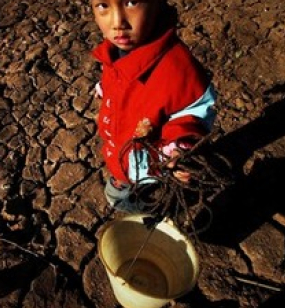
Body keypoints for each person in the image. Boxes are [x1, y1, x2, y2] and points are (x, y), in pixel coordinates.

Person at [90, 0, 217, 213]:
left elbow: (195, 109)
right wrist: (106, 89)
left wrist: (179, 148)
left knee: (144, 173)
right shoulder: (112, 50)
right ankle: (121, 186)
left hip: (151, 153)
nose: (118, 22)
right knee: (120, 168)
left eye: (131, 2)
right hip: (120, 143)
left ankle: (134, 190)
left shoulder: (177, 68)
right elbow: (118, 77)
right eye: (103, 5)